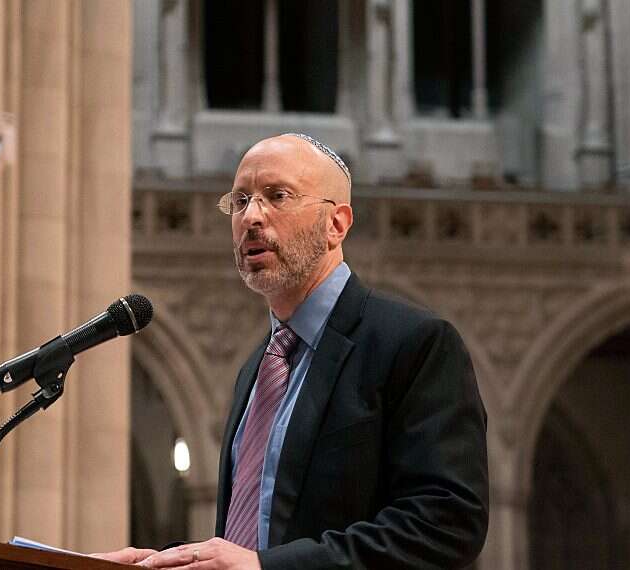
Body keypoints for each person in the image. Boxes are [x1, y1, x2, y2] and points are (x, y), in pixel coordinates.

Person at [95, 134, 488, 568]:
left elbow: (446, 524)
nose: (251, 217)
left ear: (336, 224)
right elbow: (262, 535)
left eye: (276, 196)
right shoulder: (258, 368)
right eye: (240, 200)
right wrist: (159, 562)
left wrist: (268, 568)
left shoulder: (414, 344)